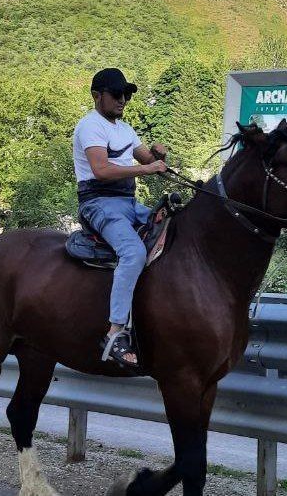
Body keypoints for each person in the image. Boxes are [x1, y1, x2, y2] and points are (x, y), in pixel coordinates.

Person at [72, 68, 167, 368]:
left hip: (127, 201)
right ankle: (115, 333)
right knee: (133, 252)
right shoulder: (90, 126)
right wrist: (146, 169)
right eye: (116, 94)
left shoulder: (125, 129)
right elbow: (100, 170)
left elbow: (148, 160)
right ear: (97, 95)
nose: (122, 99)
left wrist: (159, 155)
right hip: (98, 203)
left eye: (126, 94)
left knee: (173, 227)